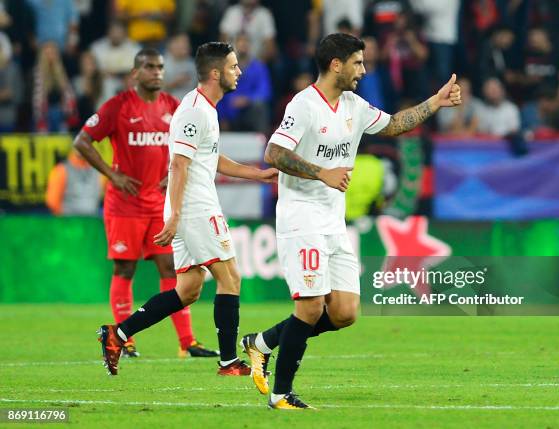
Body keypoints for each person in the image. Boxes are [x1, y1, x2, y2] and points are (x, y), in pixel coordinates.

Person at [240, 32, 461, 410]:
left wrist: (435, 103)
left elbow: (393, 124)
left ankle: (260, 343)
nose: (364, 69)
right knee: (309, 308)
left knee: (343, 313)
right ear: (336, 64)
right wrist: (319, 173)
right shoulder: (304, 105)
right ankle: (280, 395)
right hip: (301, 218)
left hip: (333, 221)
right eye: (358, 62)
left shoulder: (354, 105)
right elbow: (274, 152)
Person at [97, 42, 278, 377]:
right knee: (230, 277)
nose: (239, 72)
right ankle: (228, 363)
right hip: (194, 207)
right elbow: (178, 165)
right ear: (215, 73)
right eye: (233, 66)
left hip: (190, 205)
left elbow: (209, 157)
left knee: (188, 289)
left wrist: (256, 173)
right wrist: (176, 215)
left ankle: (117, 334)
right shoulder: (194, 110)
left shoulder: (205, 108)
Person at [75, 48, 218, 359]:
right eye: (150, 67)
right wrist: (112, 176)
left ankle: (187, 342)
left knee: (171, 267)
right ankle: (125, 339)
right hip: (124, 204)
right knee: (125, 267)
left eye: (160, 67)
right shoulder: (117, 107)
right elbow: (81, 141)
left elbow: (186, 147)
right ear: (135, 73)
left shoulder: (173, 107)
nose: (157, 72)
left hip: (159, 204)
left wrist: (173, 172)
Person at [45, 149, 103, 216]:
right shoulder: (61, 170)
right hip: (69, 221)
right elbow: (52, 202)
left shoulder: (97, 170)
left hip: (91, 221)